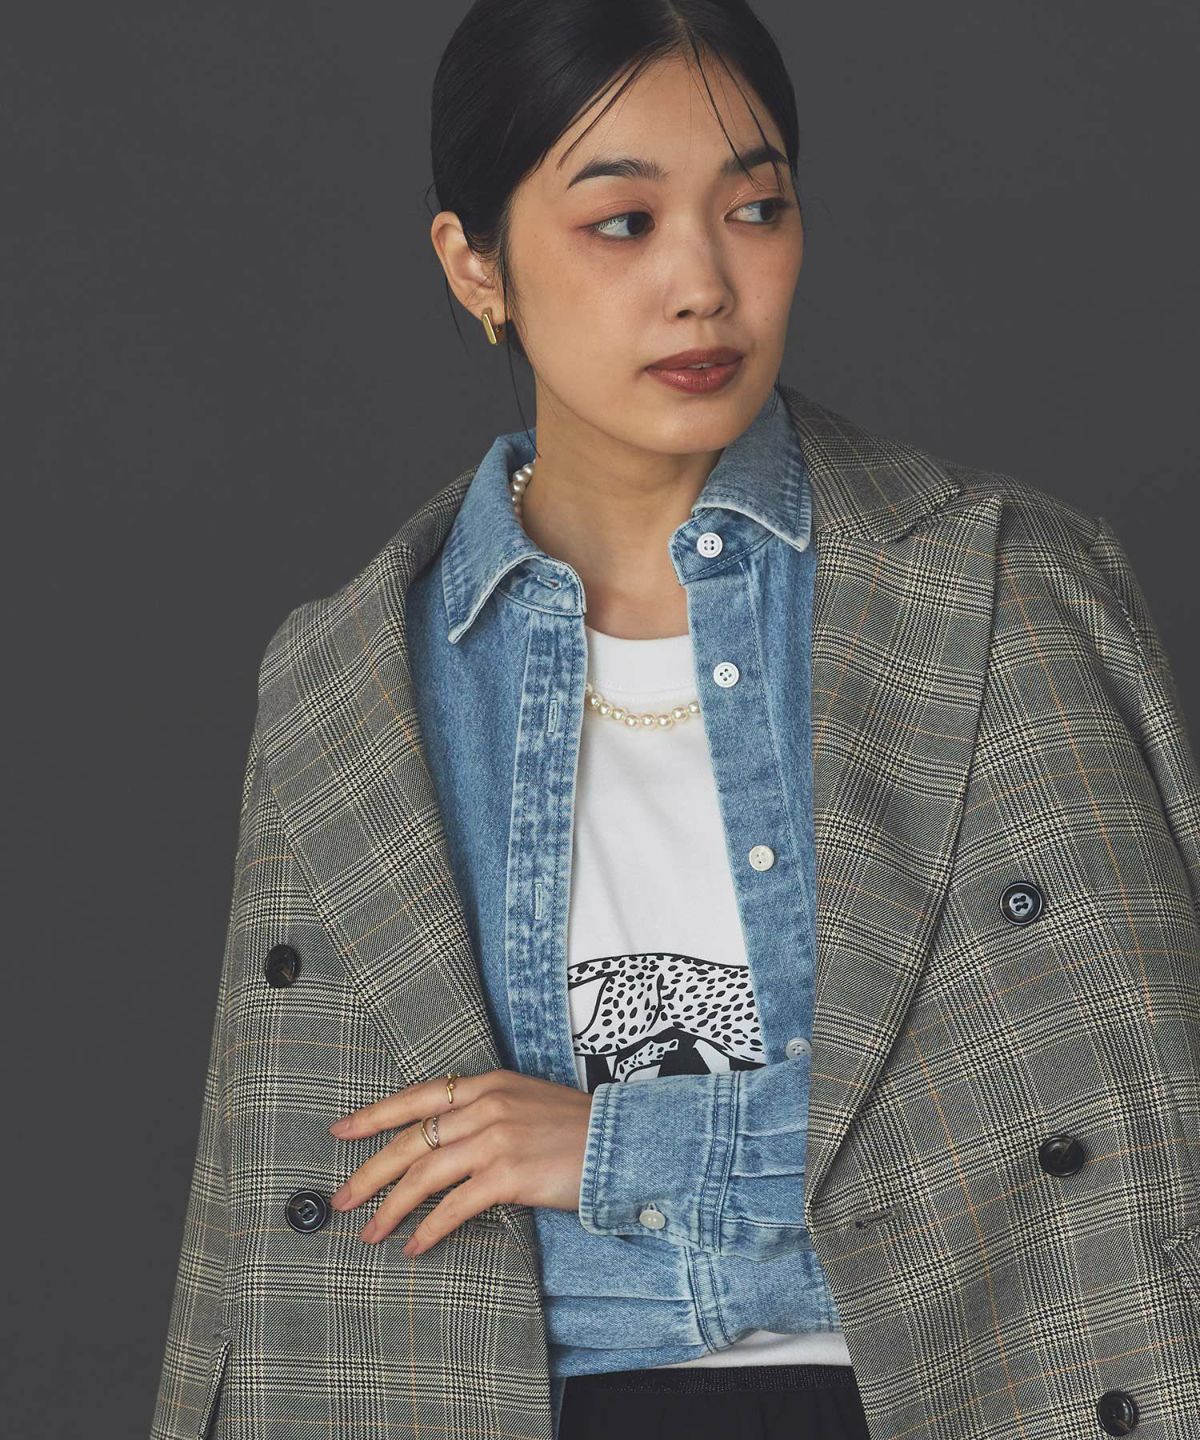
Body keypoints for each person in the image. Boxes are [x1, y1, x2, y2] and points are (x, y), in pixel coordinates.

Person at [150, 2, 1200, 1439]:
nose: (705, 283)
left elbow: (1121, 1132)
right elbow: (262, 1258)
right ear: (475, 265)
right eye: (622, 223)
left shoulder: (1003, 589)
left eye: (754, 209)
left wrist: (618, 1145)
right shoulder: (348, 684)